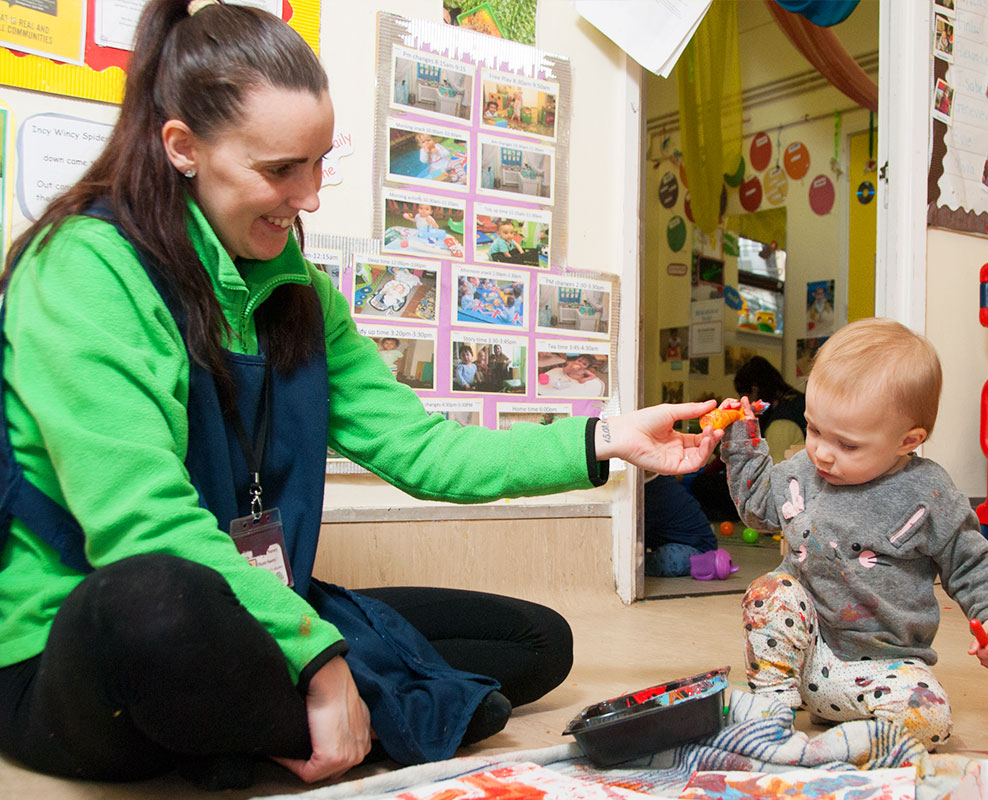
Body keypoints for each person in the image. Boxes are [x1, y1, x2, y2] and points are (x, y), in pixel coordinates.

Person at [0, 1, 726, 791]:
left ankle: (289, 723)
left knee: (533, 642)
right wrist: (318, 655)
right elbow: (140, 524)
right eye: (281, 169)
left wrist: (607, 438)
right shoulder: (84, 265)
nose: (309, 197)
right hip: (77, 646)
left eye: (319, 162)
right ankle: (340, 710)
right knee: (159, 606)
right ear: (182, 147)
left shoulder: (299, 294)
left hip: (252, 608)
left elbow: (424, 450)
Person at [722, 318, 988, 749]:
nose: (822, 453)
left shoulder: (928, 492)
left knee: (930, 720)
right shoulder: (801, 475)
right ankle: (772, 710)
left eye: (847, 445)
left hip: (887, 669)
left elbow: (971, 560)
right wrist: (740, 440)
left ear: (908, 440)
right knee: (769, 590)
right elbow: (757, 507)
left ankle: (852, 740)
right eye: (814, 429)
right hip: (805, 660)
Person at [690, 356, 806, 523]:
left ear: (754, 390)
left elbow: (773, 474)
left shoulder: (780, 422)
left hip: (781, 489)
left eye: (743, 394)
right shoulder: (793, 404)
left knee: (703, 484)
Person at [642, 472, 718, 578]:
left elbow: (638, 530)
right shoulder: (656, 485)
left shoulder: (657, 490)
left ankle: (706, 562)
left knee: (671, 560)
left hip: (696, 548)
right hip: (669, 540)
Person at [538, 354, 605, 398]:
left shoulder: (584, 371)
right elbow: (564, 371)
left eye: (584, 364)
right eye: (579, 361)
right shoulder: (570, 364)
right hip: (565, 378)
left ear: (586, 367)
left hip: (576, 382)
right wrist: (570, 368)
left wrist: (585, 379)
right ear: (575, 359)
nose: (580, 363)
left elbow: (593, 376)